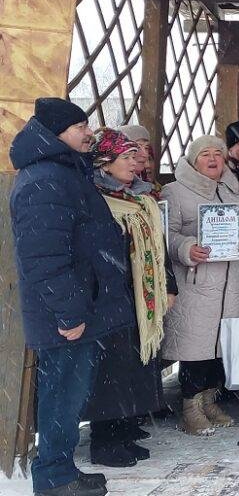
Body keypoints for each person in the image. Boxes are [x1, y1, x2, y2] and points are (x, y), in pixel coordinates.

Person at [10, 98, 130, 496]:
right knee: (61, 396)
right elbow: (44, 258)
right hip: (65, 316)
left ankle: (60, 470)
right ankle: (54, 478)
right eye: (81, 127)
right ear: (57, 133)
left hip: (77, 307)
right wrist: (69, 313)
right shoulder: (44, 180)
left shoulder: (61, 172)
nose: (89, 133)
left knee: (68, 395)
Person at [82, 129, 176, 467]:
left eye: (135, 156)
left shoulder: (140, 199)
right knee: (110, 369)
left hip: (139, 294)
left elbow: (158, 249)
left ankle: (124, 429)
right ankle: (104, 440)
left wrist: (168, 285)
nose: (135, 162)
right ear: (105, 163)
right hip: (108, 295)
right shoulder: (94, 200)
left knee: (134, 363)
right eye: (126, 157)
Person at [161, 135, 239, 436]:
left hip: (230, 283)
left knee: (220, 349)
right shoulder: (175, 191)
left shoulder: (237, 191)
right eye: (205, 154)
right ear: (193, 160)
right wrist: (187, 247)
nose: (212, 159)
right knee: (195, 350)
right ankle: (190, 408)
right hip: (196, 283)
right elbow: (165, 235)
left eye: (217, 154)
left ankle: (209, 401)